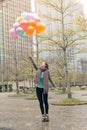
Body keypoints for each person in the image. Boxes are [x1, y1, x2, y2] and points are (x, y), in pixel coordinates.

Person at [29, 55, 55, 122]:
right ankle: (43, 116)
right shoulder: (38, 70)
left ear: (45, 65)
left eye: (43, 63)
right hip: (38, 88)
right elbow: (34, 64)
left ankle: (47, 115)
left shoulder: (47, 72)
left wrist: (54, 85)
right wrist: (30, 58)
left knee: (45, 102)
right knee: (40, 102)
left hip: (44, 88)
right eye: (41, 63)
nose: (41, 64)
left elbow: (50, 79)